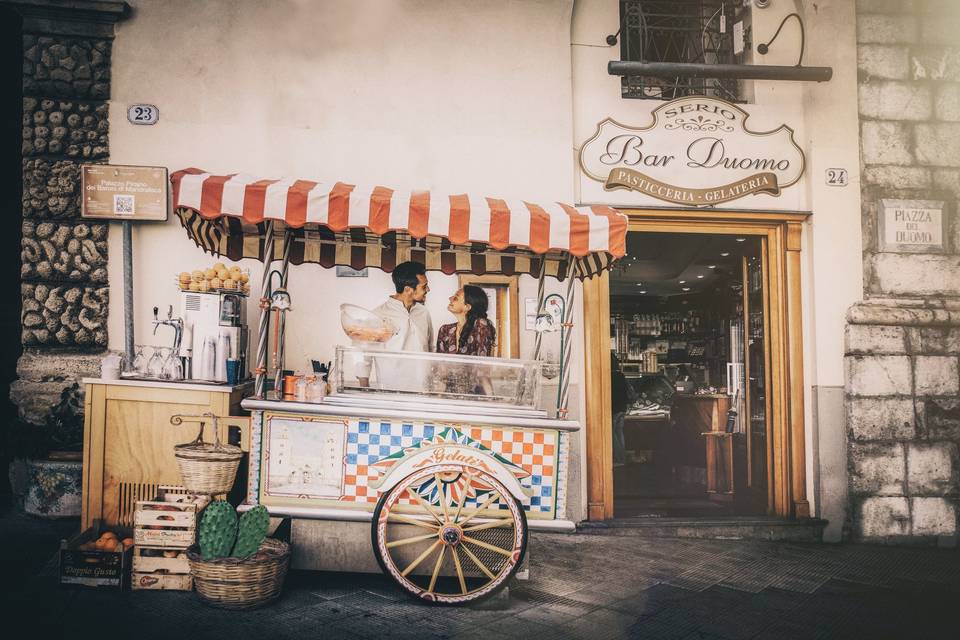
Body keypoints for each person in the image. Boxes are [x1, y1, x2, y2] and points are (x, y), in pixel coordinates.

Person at [374, 261, 433, 353]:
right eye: (424, 287)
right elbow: (365, 356)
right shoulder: (378, 315)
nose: (428, 289)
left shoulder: (424, 312)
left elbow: (430, 347)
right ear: (407, 289)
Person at [435, 285, 496, 356]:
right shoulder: (445, 330)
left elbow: (482, 361)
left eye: (456, 298)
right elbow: (440, 362)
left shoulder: (480, 325)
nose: (450, 299)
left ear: (467, 307)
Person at [611, 351, 630, 467]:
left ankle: (618, 459)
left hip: (613, 408)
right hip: (622, 408)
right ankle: (622, 458)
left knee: (612, 433)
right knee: (619, 432)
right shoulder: (620, 375)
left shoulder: (609, 376)